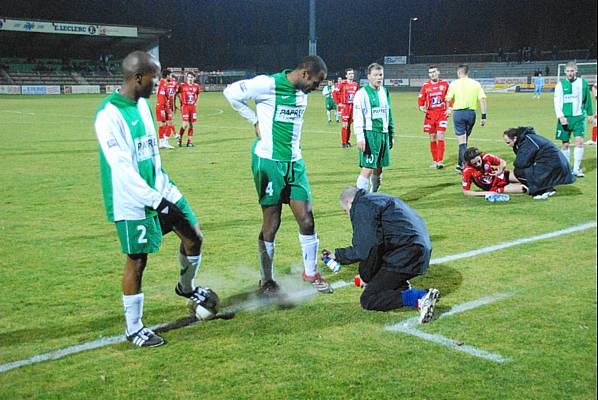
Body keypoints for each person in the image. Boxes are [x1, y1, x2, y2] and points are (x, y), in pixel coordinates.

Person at [94, 51, 219, 348]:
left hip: (160, 187)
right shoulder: (109, 115)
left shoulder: (143, 105)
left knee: (194, 236)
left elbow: (152, 157)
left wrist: (167, 193)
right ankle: (134, 327)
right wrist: (157, 201)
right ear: (138, 78)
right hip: (132, 200)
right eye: (155, 77)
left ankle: (187, 288)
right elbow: (123, 170)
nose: (159, 82)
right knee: (137, 261)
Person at [223, 56, 332, 294]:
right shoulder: (268, 84)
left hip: (295, 162)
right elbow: (230, 93)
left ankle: (310, 273)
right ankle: (266, 280)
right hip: (269, 161)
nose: (317, 87)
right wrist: (254, 121)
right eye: (316, 81)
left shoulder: (302, 92)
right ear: (304, 74)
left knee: (307, 219)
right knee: (272, 222)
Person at [321, 187, 439, 323]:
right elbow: (378, 243)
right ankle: (401, 288)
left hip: (407, 252)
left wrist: (365, 276)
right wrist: (338, 255)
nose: (347, 214)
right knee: (378, 279)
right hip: (417, 249)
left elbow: (368, 248)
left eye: (345, 210)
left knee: (369, 299)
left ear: (349, 203)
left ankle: (420, 297)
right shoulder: (378, 199)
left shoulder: (361, 207)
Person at [353, 63, 394, 193]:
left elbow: (389, 113)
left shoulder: (384, 91)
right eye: (375, 75)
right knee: (368, 167)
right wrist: (360, 137)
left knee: (379, 167)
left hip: (383, 134)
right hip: (370, 134)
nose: (379, 78)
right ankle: (359, 200)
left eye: (381, 75)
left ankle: (373, 194)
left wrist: (391, 134)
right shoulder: (362, 93)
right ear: (369, 76)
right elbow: (357, 116)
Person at [503, 126, 576, 199]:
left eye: (508, 142)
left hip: (552, 165)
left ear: (515, 138)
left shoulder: (527, 141)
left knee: (520, 172)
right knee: (525, 170)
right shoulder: (526, 138)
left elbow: (521, 163)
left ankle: (542, 191)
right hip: (555, 164)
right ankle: (546, 187)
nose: (507, 145)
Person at [554, 61, 594, 177]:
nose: (570, 73)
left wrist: (590, 113)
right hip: (565, 118)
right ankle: (567, 169)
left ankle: (576, 169)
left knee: (580, 142)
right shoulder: (560, 85)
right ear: (565, 72)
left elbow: (587, 99)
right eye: (568, 71)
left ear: (576, 71)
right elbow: (557, 102)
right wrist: (560, 116)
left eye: (572, 71)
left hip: (579, 117)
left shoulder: (582, 83)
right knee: (565, 144)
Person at [445, 64, 488, 172]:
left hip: (458, 114)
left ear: (459, 73)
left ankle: (465, 165)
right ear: (467, 72)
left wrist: (449, 109)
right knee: (465, 139)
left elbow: (448, 98)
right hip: (471, 114)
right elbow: (482, 100)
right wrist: (483, 116)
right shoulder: (476, 84)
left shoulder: (454, 84)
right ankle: (460, 164)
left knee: (462, 141)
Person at [418, 65, 450, 169]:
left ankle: (440, 161)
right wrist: (421, 107)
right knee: (432, 138)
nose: (432, 74)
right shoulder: (425, 86)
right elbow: (421, 99)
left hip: (442, 114)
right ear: (429, 74)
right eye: (430, 72)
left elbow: (450, 97)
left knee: (440, 135)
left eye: (434, 72)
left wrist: (450, 108)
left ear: (438, 72)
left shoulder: (445, 84)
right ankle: (435, 160)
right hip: (430, 115)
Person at [461, 147, 526, 197]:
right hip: (495, 187)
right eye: (474, 163)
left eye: (479, 161)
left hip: (502, 175)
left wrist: (500, 171)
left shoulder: (486, 157)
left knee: (526, 178)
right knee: (523, 188)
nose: (478, 164)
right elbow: (466, 192)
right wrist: (485, 193)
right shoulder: (467, 171)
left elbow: (502, 162)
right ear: (469, 163)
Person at [176, 71, 202, 147]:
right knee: (185, 125)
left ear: (194, 78)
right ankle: (180, 139)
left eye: (191, 77)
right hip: (185, 106)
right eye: (189, 77)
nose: (190, 79)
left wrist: (195, 102)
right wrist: (180, 102)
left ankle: (189, 142)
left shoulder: (196, 86)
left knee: (191, 125)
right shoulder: (182, 85)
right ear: (186, 77)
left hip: (192, 107)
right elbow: (176, 93)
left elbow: (197, 94)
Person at [338, 68, 359, 148]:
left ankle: (347, 141)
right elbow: (335, 93)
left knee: (349, 125)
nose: (351, 75)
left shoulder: (355, 84)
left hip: (353, 107)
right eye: (349, 74)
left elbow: (357, 95)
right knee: (345, 125)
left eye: (352, 73)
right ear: (346, 75)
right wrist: (339, 103)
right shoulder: (342, 84)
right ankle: (343, 143)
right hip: (345, 107)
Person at [156, 70, 174, 149]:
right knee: (169, 123)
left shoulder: (163, 83)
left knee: (163, 124)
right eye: (170, 75)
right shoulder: (163, 84)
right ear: (167, 76)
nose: (171, 77)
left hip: (163, 106)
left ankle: (161, 143)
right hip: (162, 106)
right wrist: (162, 108)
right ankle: (165, 142)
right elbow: (161, 97)